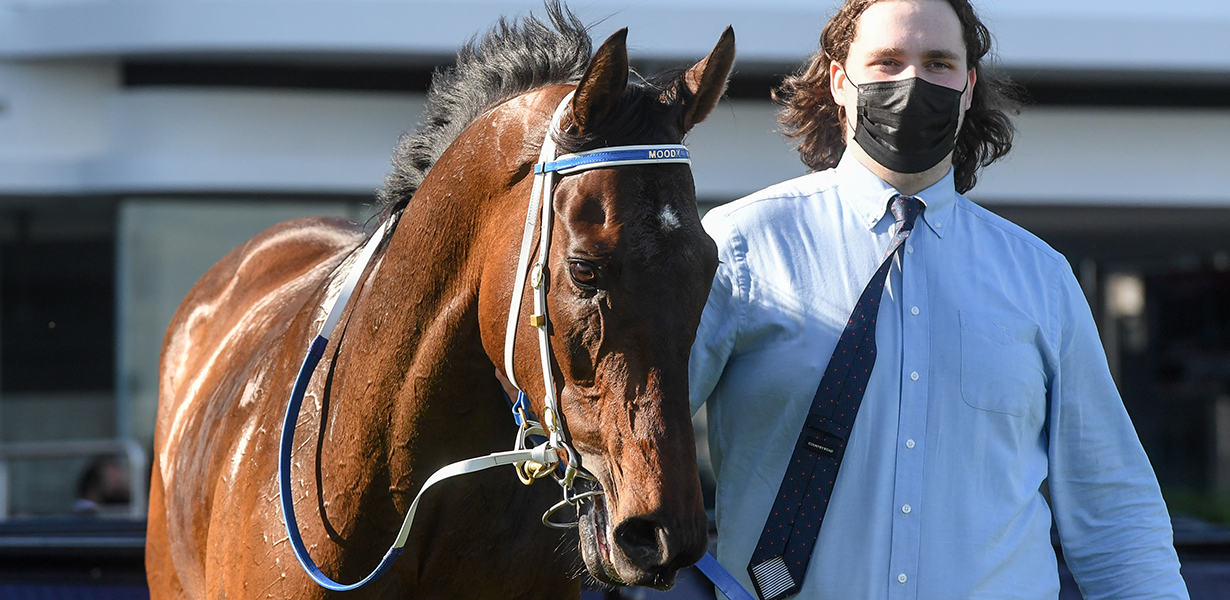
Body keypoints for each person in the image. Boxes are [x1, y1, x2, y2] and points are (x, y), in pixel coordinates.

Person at [688, 0, 1189, 598]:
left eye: (938, 63)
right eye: (887, 61)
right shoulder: (738, 247)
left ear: (968, 85)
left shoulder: (1041, 278)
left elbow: (1115, 512)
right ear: (839, 80)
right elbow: (619, 437)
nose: (912, 83)